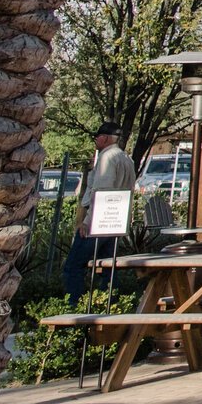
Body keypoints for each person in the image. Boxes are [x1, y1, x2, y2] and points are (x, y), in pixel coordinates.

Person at [62, 126, 137, 296]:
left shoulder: (107, 158)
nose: (95, 140)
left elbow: (102, 193)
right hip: (115, 223)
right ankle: (110, 303)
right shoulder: (126, 158)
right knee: (108, 268)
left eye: (97, 137)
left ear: (105, 138)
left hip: (100, 223)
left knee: (74, 265)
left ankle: (74, 306)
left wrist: (87, 223)